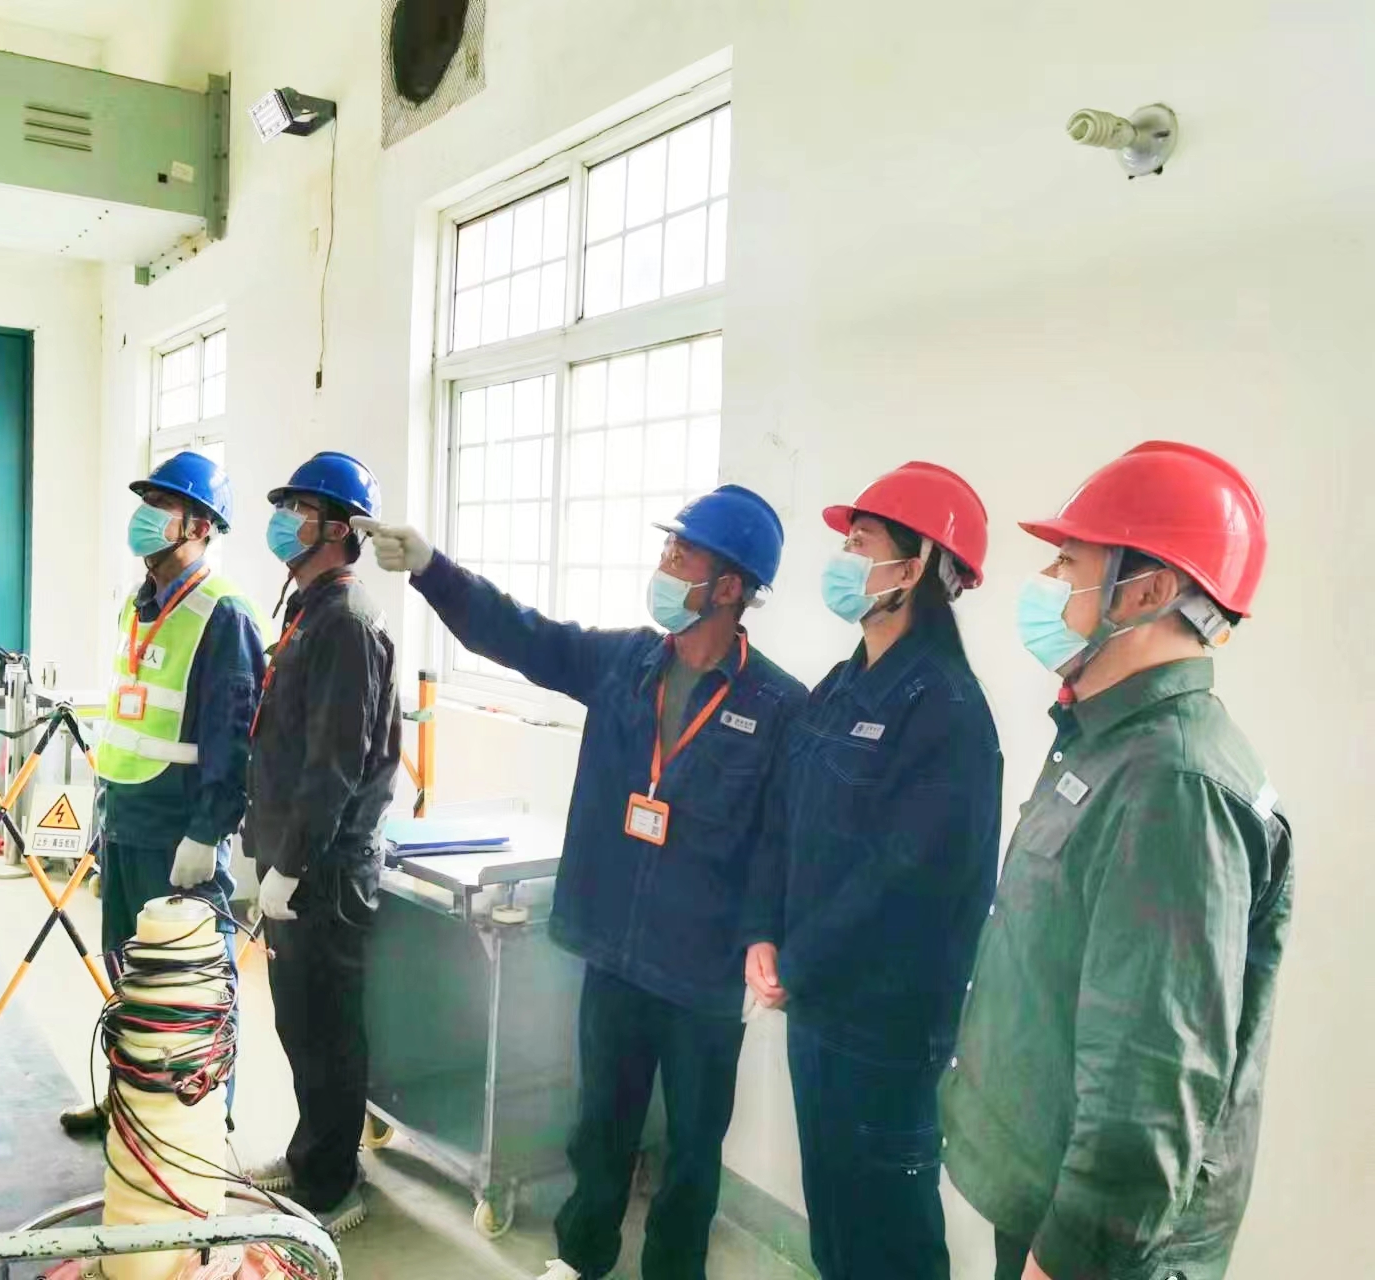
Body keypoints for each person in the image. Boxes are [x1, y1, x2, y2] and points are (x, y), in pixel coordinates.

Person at [361, 484, 809, 1280]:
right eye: (667, 548)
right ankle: (581, 1257)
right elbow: (521, 634)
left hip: (704, 972)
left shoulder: (778, 705)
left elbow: (781, 843)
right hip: (616, 950)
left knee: (693, 1147)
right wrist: (432, 570)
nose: (663, 563)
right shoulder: (625, 662)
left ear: (730, 587)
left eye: (682, 554)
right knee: (601, 1123)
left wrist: (762, 941)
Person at [941, 442, 1294, 1280]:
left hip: (1097, 1246)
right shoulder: (1111, 740)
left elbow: (1151, 1079)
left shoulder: (1175, 784)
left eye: (1070, 561)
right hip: (1052, 1193)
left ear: (1147, 591)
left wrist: (1067, 1258)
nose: (1048, 582)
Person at [743, 462, 1002, 1280]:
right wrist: (763, 932)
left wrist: (800, 961)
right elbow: (782, 816)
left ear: (914, 566)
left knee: (891, 1237)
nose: (844, 558)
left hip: (887, 1029)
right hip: (817, 1005)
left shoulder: (948, 711)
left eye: (861, 542)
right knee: (836, 1221)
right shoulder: (842, 684)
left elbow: (905, 878)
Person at [60, 452, 269, 1135]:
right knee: (128, 972)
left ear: (199, 526)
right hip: (125, 816)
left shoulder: (222, 614)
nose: (145, 516)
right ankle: (133, 1096)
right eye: (144, 501)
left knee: (193, 978)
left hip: (178, 829)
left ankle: (201, 1117)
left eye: (162, 504)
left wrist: (208, 832)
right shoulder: (138, 602)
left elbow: (233, 738)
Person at [243, 451, 400, 1236]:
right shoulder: (308, 609)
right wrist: (264, 848)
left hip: (327, 868)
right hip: (294, 856)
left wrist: (294, 863)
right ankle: (312, 1156)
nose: (284, 521)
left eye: (299, 509)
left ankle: (335, 1187)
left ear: (339, 529)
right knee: (299, 1024)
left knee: (328, 1030)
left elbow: (334, 763)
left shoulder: (346, 621)